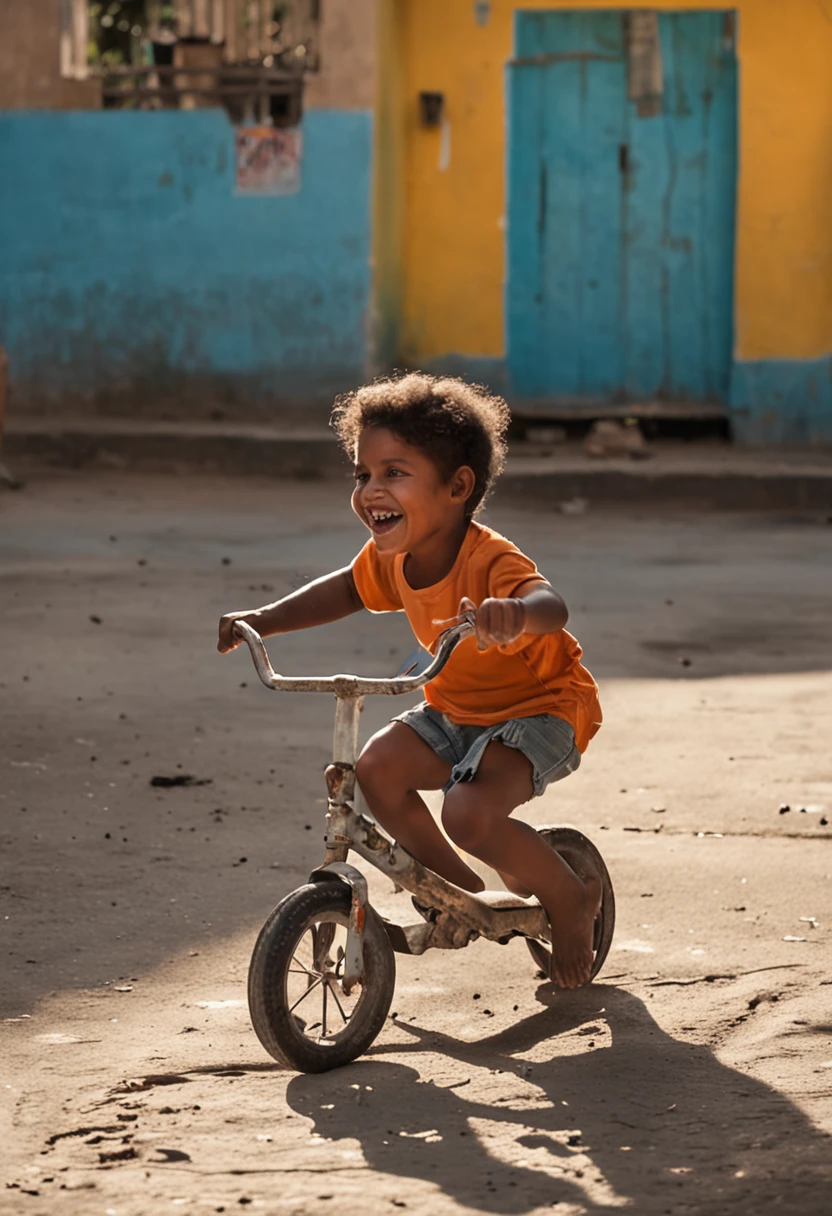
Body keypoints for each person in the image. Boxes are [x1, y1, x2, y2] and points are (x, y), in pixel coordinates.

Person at [218, 373, 603, 988]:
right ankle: (455, 890)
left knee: (469, 814)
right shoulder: (391, 557)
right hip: (454, 706)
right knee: (376, 770)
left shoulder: (490, 560)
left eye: (394, 472)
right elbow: (346, 588)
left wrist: (516, 614)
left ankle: (571, 898)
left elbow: (550, 604)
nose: (371, 489)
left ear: (457, 487)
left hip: (538, 710)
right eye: (362, 474)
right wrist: (263, 620)